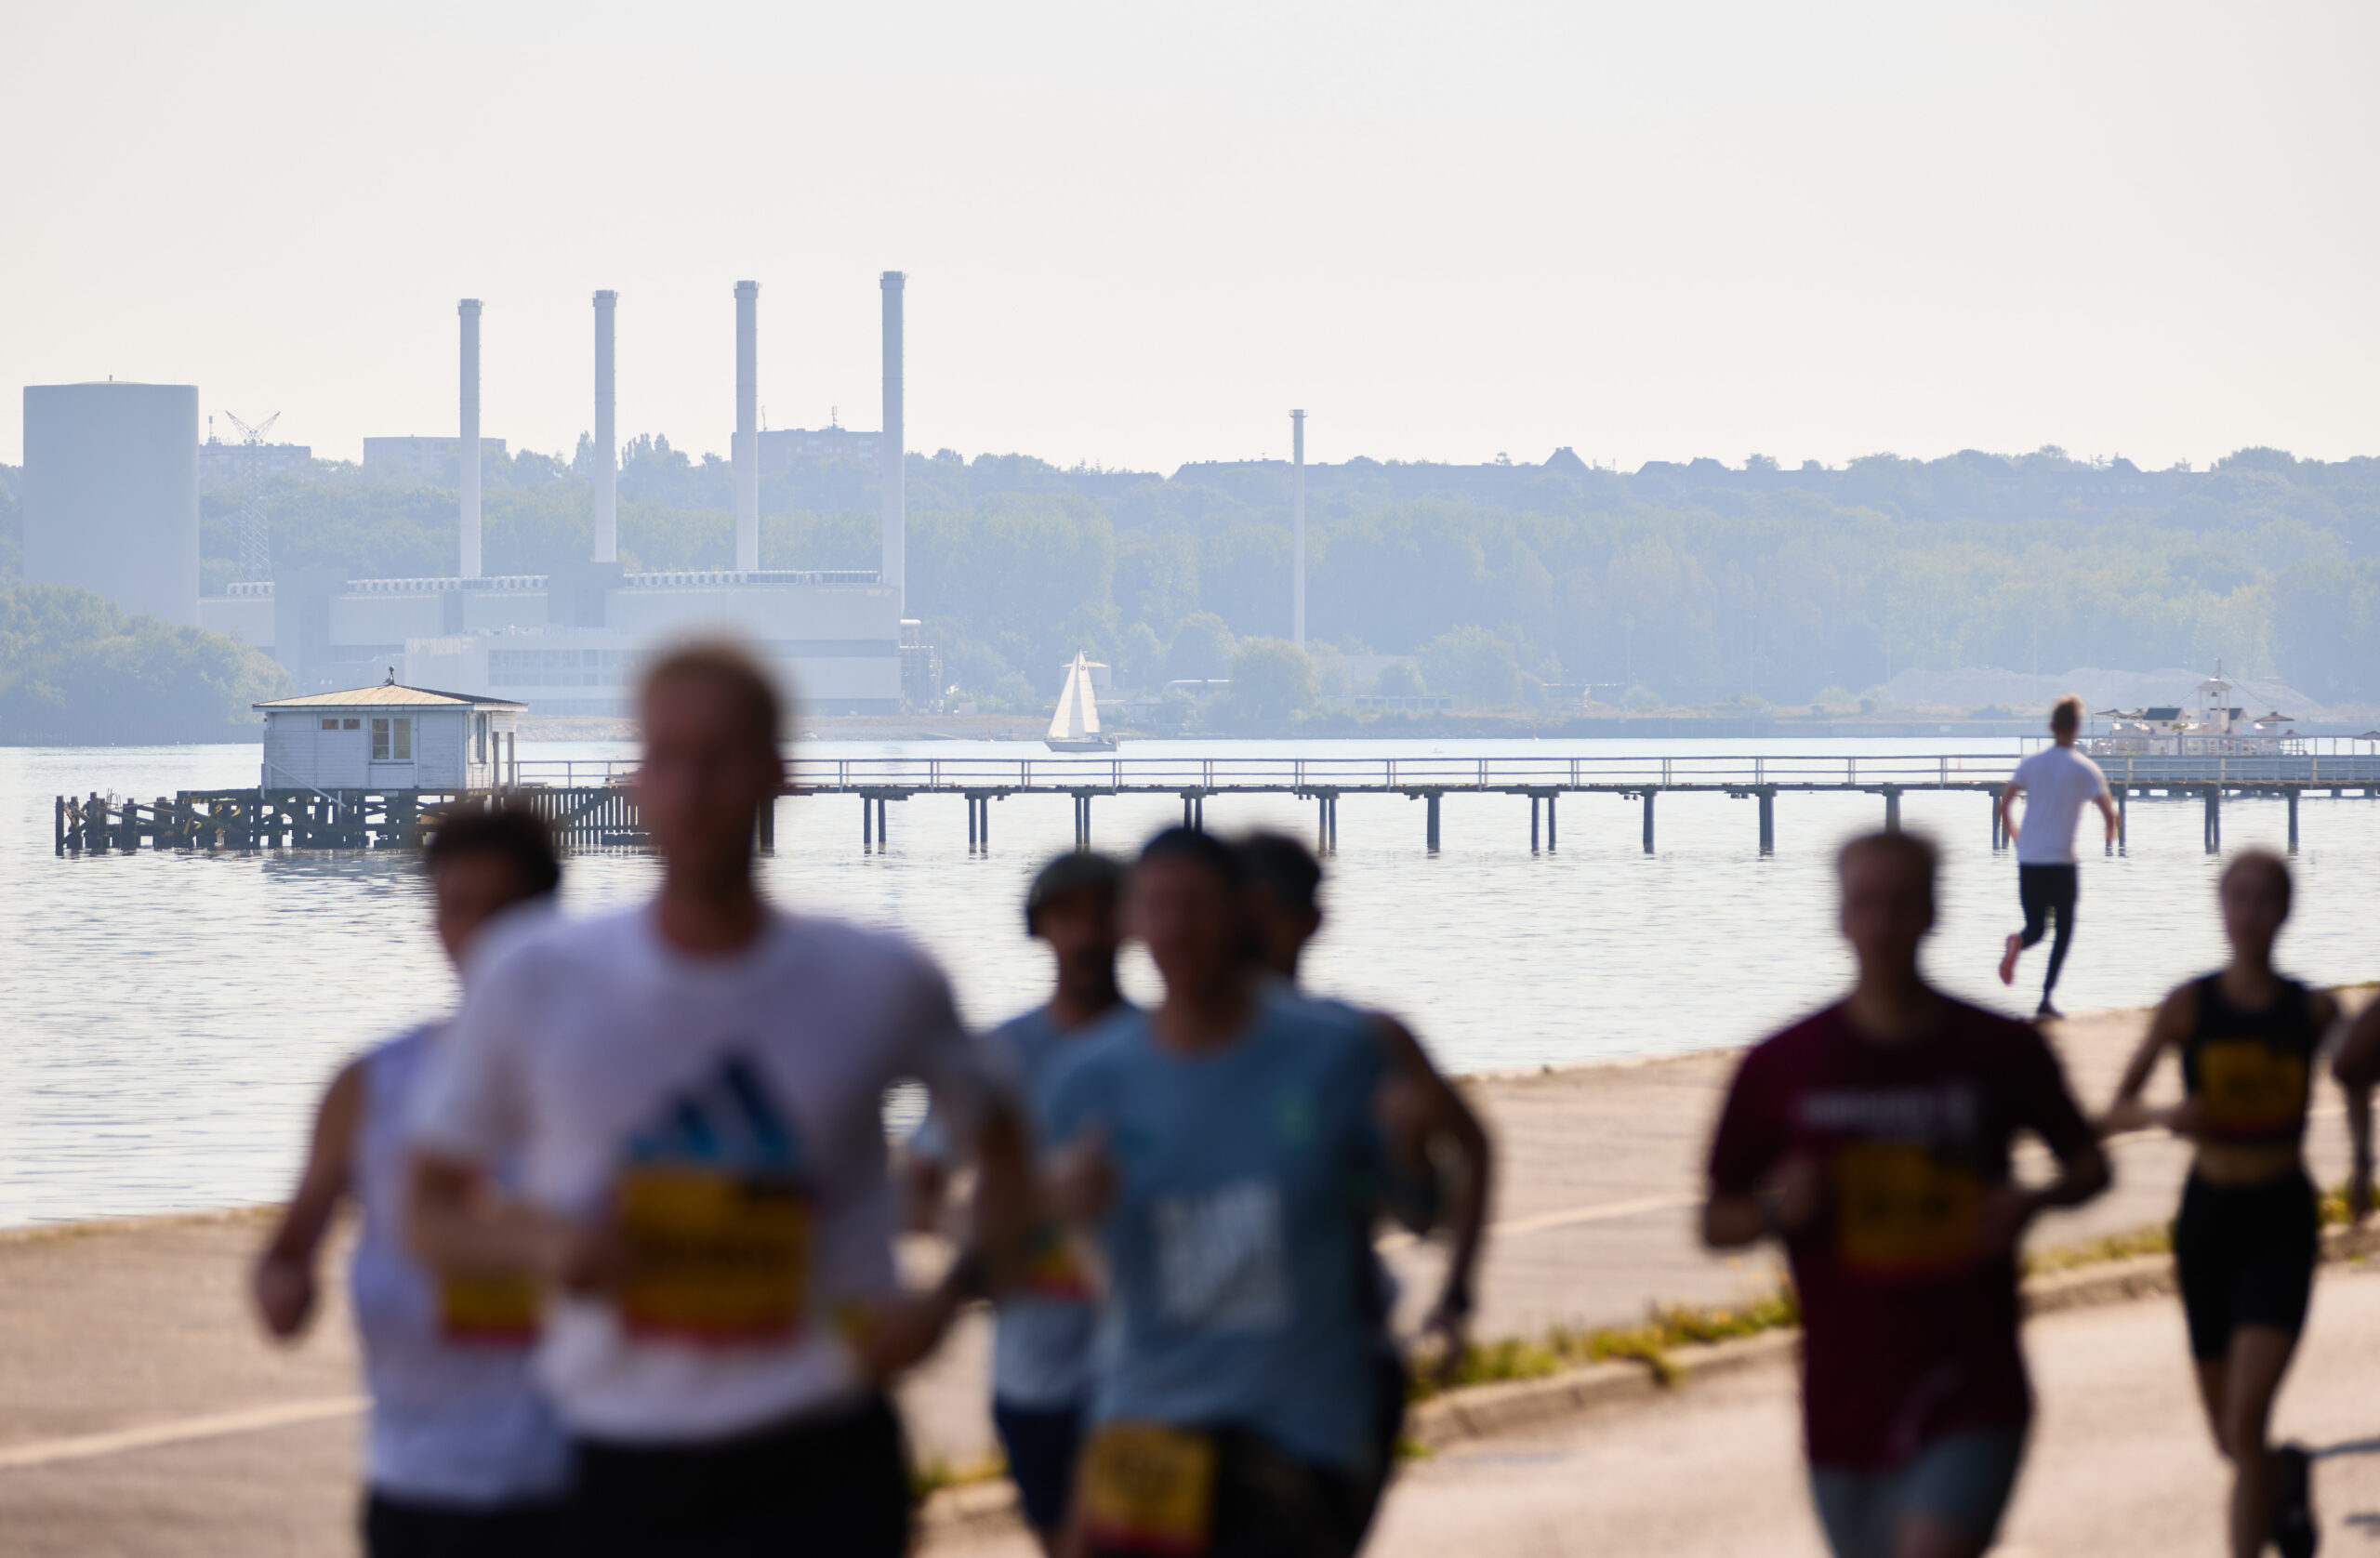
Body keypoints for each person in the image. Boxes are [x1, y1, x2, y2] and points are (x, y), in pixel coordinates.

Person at [405, 640, 1029, 1558]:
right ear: (633, 781)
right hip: (619, 1454)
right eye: (667, 757)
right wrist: (541, 1239)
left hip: (822, 1449)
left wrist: (950, 1298)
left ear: (780, 773)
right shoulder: (537, 974)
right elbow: (427, 1205)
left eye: (721, 758)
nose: (693, 789)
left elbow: (1011, 1145)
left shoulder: (879, 977)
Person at [1703, 831, 2110, 1558]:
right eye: (1867, 903)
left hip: (1973, 1383)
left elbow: (2088, 1166)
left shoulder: (1998, 1050)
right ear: (1840, 916)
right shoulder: (1782, 1066)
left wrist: (2032, 1201)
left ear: (1932, 912)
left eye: (1902, 903)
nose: (1884, 923)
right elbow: (1715, 1220)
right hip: (1844, 1395)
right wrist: (1776, 1210)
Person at [1042, 828, 1404, 1558]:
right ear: (1131, 923)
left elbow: (1423, 1203)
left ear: (1244, 912)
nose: (1174, 928)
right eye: (1156, 906)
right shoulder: (1089, 1078)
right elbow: (1015, 1236)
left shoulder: (1338, 1051)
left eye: (1195, 906)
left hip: (1296, 1434)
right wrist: (1058, 1202)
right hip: (1145, 1424)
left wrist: (1413, 1155)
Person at [251, 802, 571, 1558]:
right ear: (434, 922)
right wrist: (285, 1291)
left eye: (506, 910)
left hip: (572, 1488)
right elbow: (286, 1255)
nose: (481, 934)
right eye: (458, 908)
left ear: (550, 922)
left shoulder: (607, 1083)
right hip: (413, 1490)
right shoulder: (373, 1086)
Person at [1234, 830, 1491, 1537]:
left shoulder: (1359, 1044)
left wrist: (1457, 1291)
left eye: (1271, 912)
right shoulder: (1153, 1050)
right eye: (1241, 910)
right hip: (1189, 1379)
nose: (1252, 931)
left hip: (1333, 1370)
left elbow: (1435, 1193)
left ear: (1312, 922)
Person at [2102, 851, 2352, 1558]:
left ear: (2286, 911)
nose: (2249, 913)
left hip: (2281, 1218)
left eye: (2264, 899)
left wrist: (2364, 1166)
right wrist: (2166, 1116)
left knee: (2244, 1424)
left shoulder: (2311, 1007)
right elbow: (2119, 1107)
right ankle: (2288, 1477)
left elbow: (2358, 1070)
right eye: (2237, 897)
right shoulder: (2188, 1006)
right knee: (2229, 1440)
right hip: (2208, 1221)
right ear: (2220, 908)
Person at [903, 852, 1132, 1556]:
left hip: (1152, 1371)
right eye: (1070, 916)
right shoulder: (1000, 1054)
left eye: (1104, 914)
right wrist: (989, 1230)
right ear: (1040, 928)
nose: (1089, 935)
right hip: (1033, 1370)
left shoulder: (1172, 1046)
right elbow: (917, 1188)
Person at [1996, 693, 2118, 1020]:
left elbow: (2005, 801)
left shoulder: (2030, 764)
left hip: (2029, 860)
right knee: (2062, 931)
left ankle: (2017, 944)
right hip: (2062, 862)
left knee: (2036, 928)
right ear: (2077, 729)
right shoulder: (2085, 768)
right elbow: (2109, 810)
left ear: (2051, 727)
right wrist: (2109, 832)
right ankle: (2046, 999)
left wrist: (2014, 833)